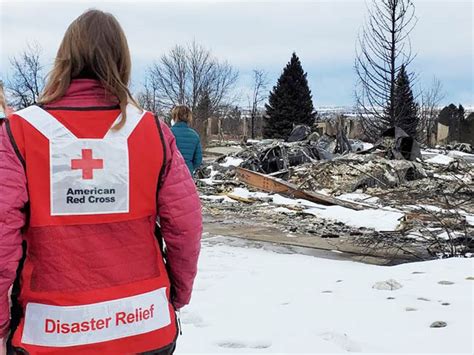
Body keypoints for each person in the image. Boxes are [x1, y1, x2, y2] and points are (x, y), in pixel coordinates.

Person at [0, 10, 201, 355]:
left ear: (65, 59)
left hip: (49, 334)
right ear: (122, 61)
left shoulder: (18, 133)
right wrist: (177, 296)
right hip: (146, 326)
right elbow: (185, 227)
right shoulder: (152, 132)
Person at [170, 106, 203, 174]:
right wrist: (189, 167)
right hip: (187, 174)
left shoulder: (167, 133)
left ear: (174, 116)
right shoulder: (194, 135)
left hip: (169, 174)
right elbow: (198, 160)